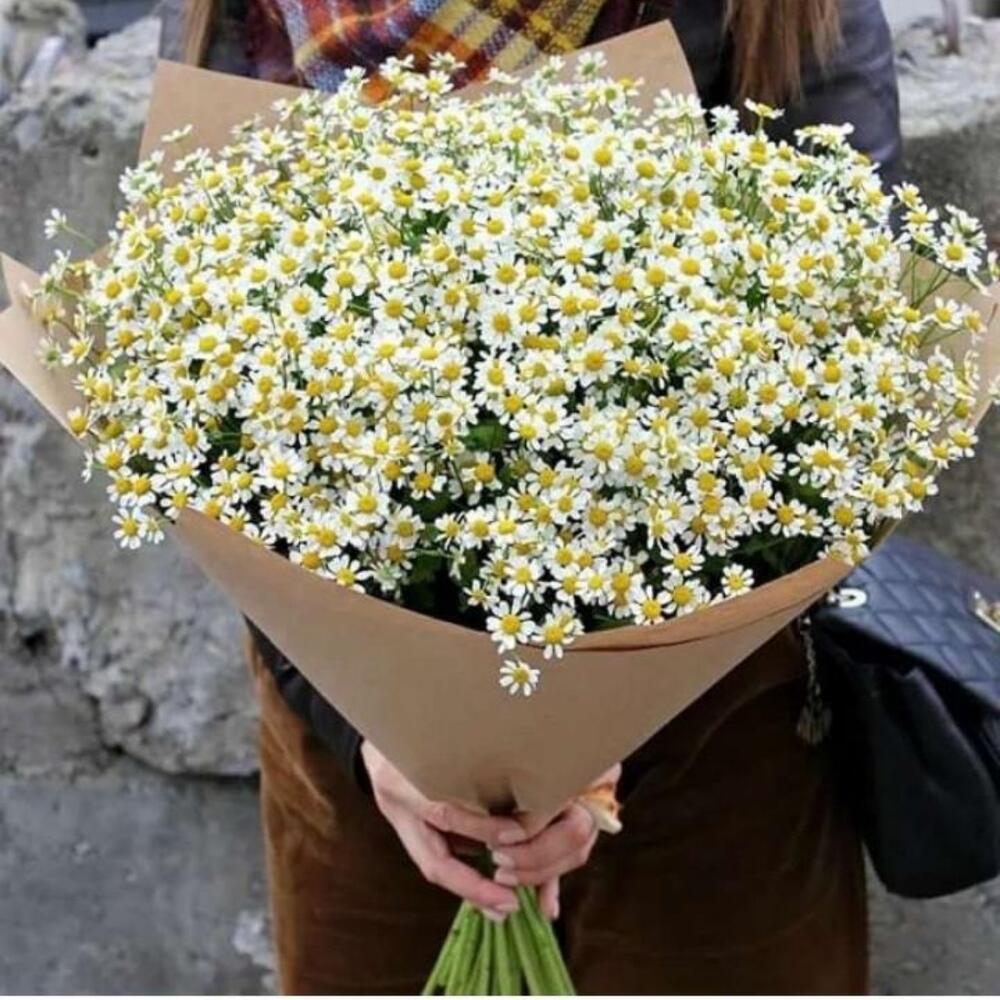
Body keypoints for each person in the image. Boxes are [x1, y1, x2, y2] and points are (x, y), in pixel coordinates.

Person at [162, 0, 902, 992]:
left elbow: (853, 353)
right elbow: (197, 373)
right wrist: (373, 733)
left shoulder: (778, 13)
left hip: (708, 751)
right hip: (367, 765)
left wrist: (584, 748)